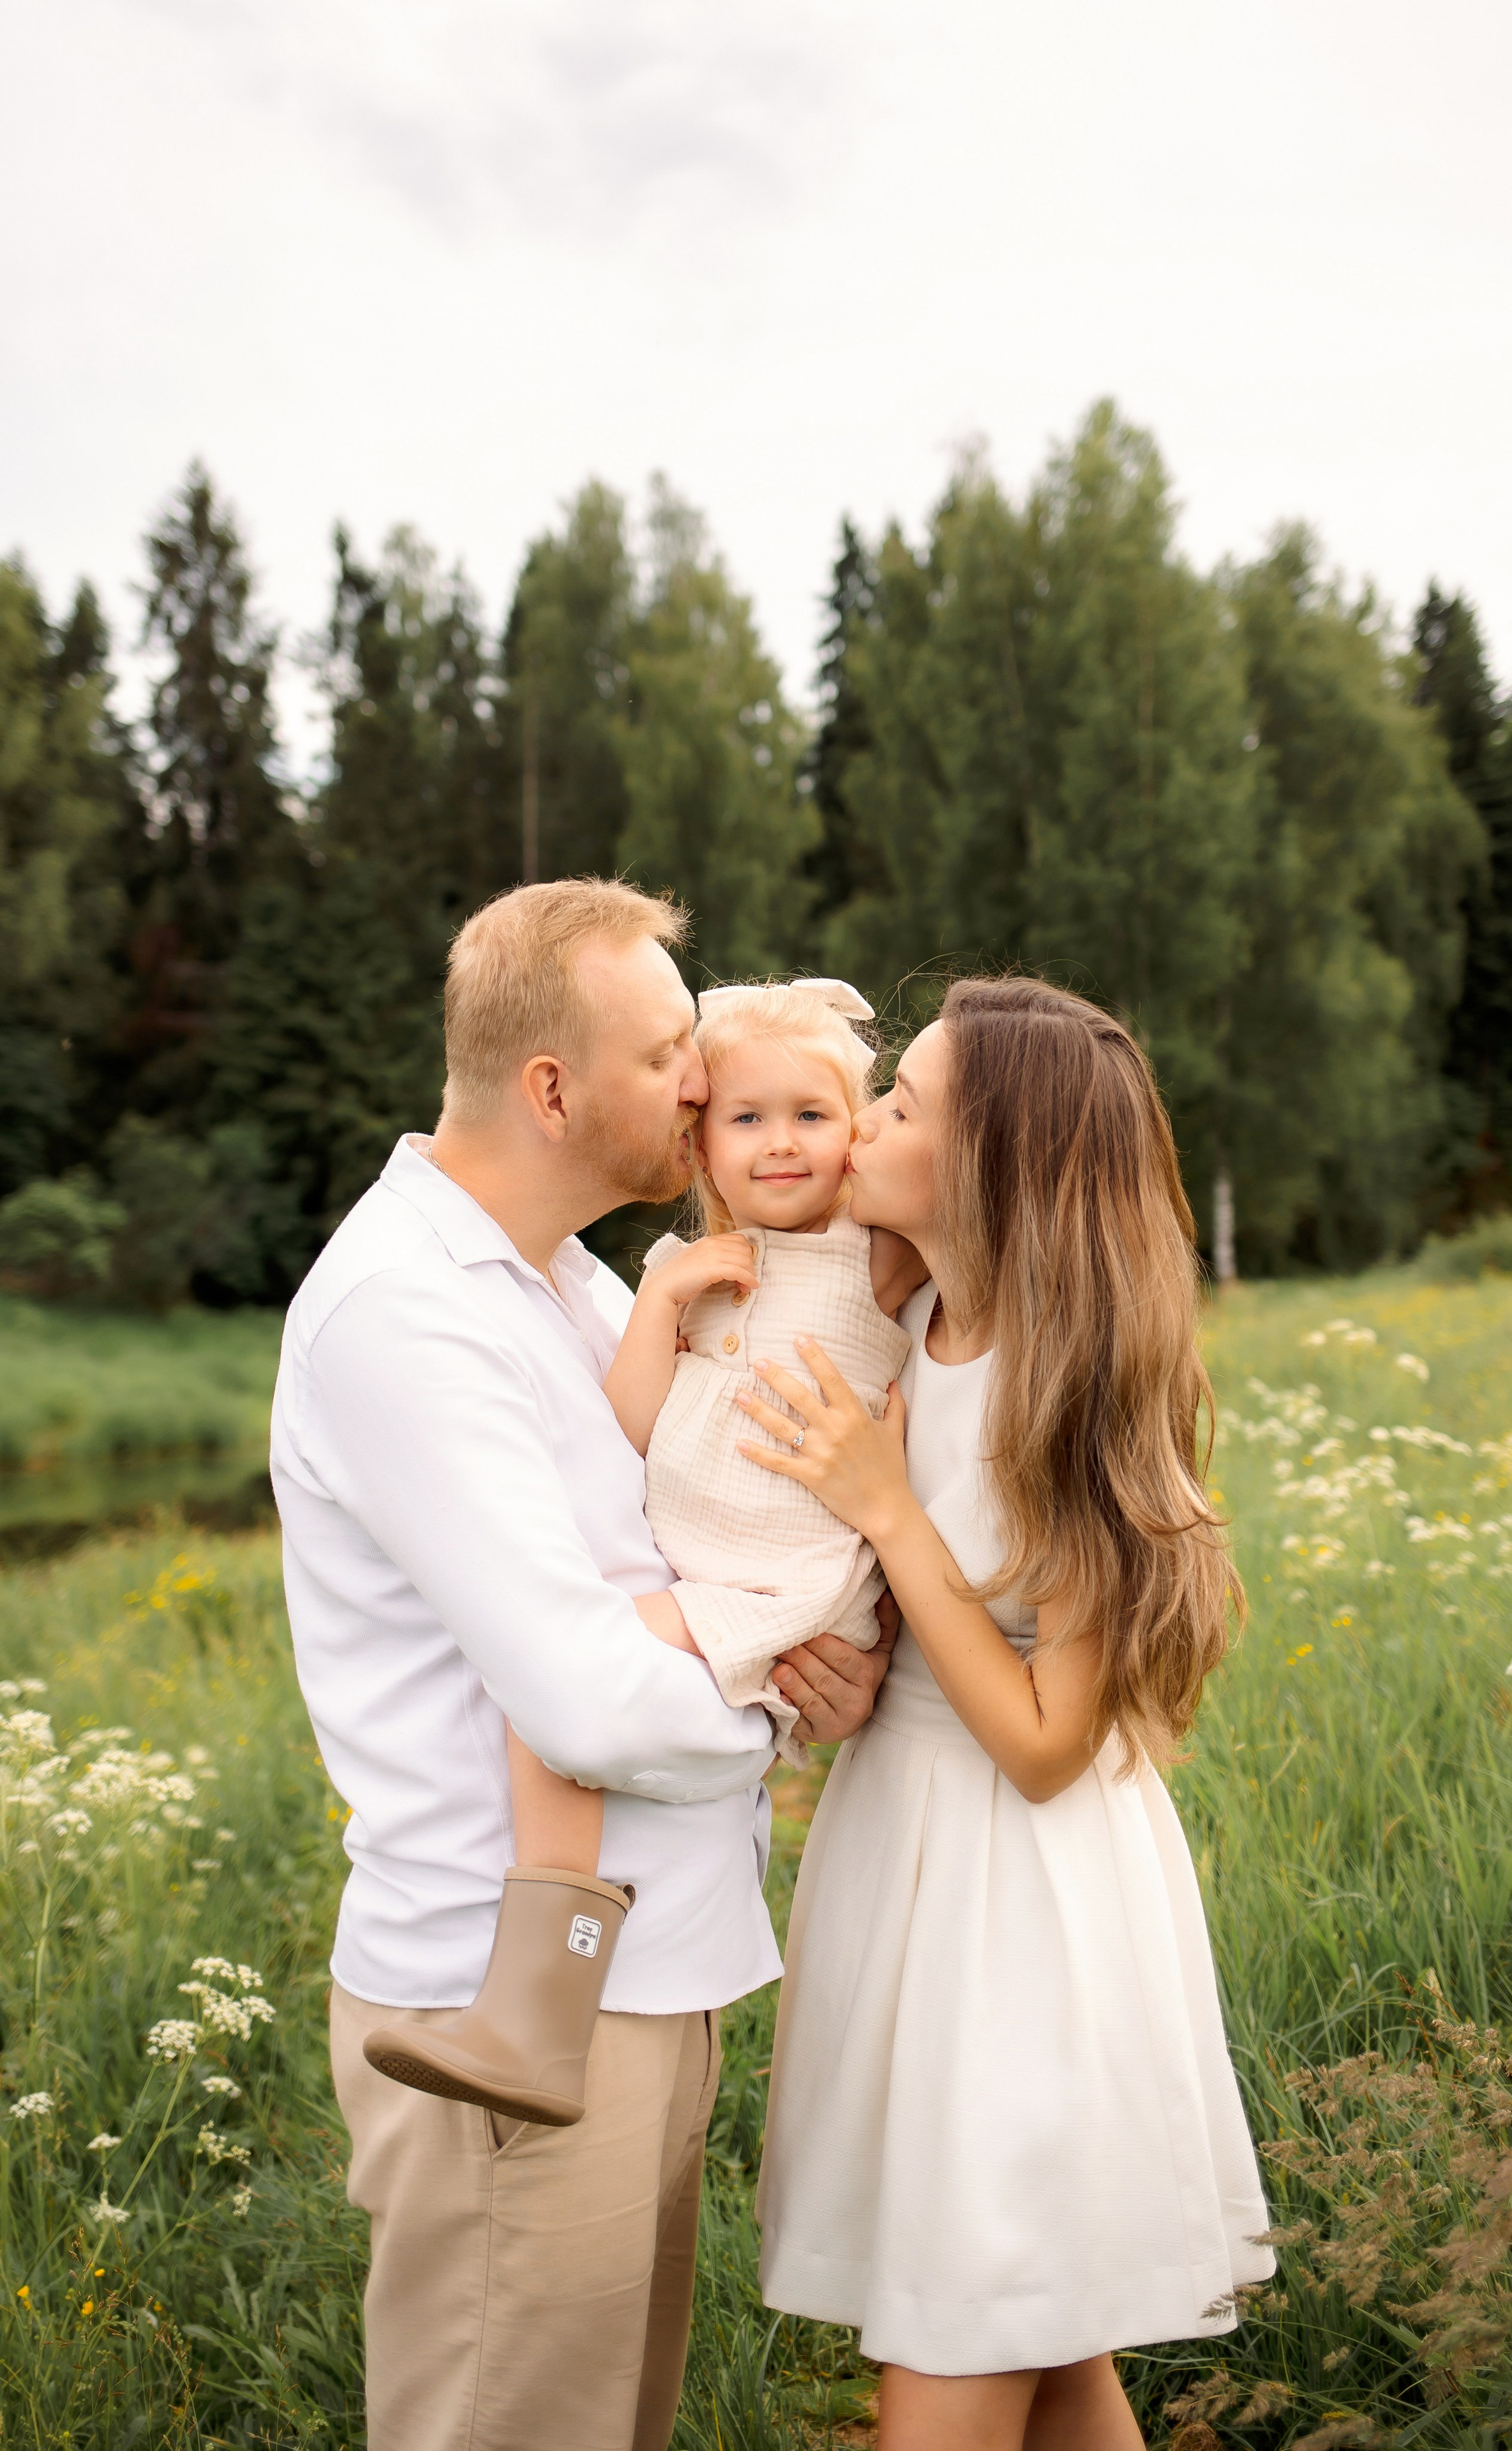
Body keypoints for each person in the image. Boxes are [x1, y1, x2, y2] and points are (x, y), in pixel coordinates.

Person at [269, 880, 892, 2451]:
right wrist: (765, 1694)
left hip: (652, 1971)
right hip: (518, 2005)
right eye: (670, 1048)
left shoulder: (576, 1285)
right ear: (551, 1088)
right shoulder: (405, 1317)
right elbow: (589, 1700)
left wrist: (818, 1667)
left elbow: (694, 1563)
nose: (702, 1082)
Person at [747, 977, 1275, 2451]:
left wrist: (884, 1516)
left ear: (993, 1168)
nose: (863, 1118)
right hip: (906, 1857)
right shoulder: (906, 1314)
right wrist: (844, 1665)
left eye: (903, 1102)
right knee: (1046, 2361)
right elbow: (740, 1144)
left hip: (1021, 1907)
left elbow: (1046, 1742)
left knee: (963, 2341)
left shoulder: (1079, 1383)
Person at [368, 973, 918, 2125]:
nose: (780, 1146)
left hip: (778, 1576)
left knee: (547, 1702)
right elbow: (631, 1433)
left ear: (858, 1132)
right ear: (705, 1145)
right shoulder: (688, 1271)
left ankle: (531, 2010)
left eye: (813, 1118)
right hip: (712, 1567)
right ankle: (538, 2000)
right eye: (746, 1119)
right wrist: (667, 1294)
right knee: (555, 1701)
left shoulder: (879, 1256)